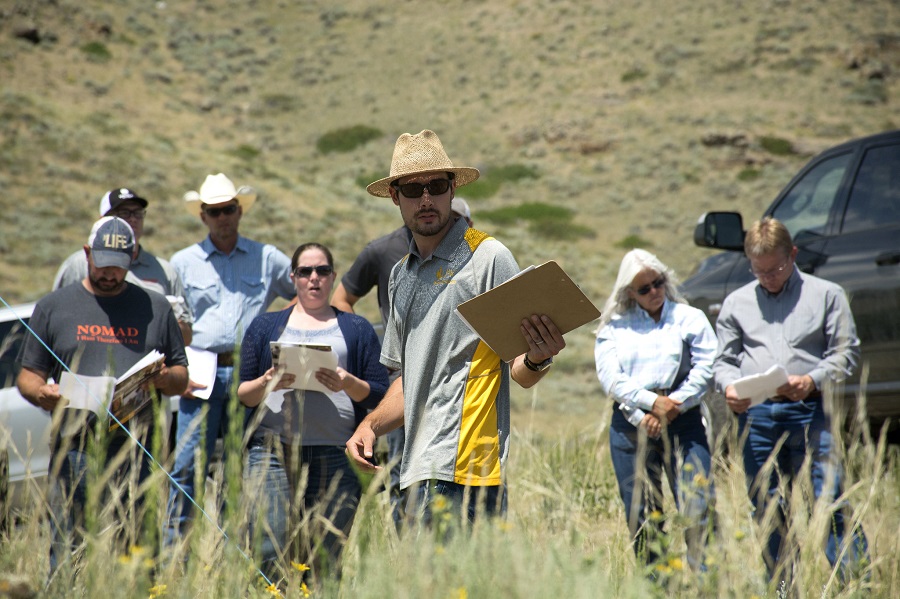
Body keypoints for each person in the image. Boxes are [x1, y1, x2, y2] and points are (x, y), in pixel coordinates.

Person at [345, 129, 564, 523]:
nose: (426, 199)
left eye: (436, 186)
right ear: (395, 197)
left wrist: (536, 359)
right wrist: (371, 426)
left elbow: (522, 372)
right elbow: (409, 381)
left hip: (469, 469)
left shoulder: (489, 256)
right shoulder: (399, 275)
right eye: (413, 189)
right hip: (415, 469)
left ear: (451, 189)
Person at [17, 216, 188, 575]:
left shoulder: (156, 307)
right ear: (86, 254)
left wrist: (160, 380)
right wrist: (43, 393)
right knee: (69, 549)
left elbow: (180, 375)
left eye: (120, 268)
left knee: (141, 552)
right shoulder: (53, 306)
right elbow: (28, 376)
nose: (110, 275)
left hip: (140, 450)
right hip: (74, 448)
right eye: (103, 266)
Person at [713, 217, 869, 583]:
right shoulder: (736, 303)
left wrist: (811, 379)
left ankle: (855, 584)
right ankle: (784, 587)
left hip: (811, 410)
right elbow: (723, 361)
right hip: (757, 416)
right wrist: (730, 388)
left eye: (775, 268)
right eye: (758, 270)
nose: (767, 277)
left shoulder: (826, 294)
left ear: (793, 254)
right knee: (768, 506)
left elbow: (846, 353)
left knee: (829, 497)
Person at [238, 242, 388, 579]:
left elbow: (379, 394)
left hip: (334, 453)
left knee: (324, 555)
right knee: (268, 546)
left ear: (333, 277)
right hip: (271, 452)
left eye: (322, 271)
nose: (314, 278)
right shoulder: (265, 327)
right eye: (305, 271)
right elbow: (243, 394)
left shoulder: (357, 329)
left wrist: (347, 382)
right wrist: (267, 381)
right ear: (293, 277)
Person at [165, 173, 296, 548]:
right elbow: (172, 322)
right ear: (203, 216)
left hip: (251, 370)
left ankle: (242, 549)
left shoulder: (267, 257)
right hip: (201, 371)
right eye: (215, 211)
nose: (223, 217)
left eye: (229, 209)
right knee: (188, 465)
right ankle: (176, 555)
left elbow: (303, 291)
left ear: (240, 211)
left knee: (249, 465)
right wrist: (180, 368)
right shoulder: (183, 262)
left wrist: (276, 322)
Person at [594, 249, 716, 571]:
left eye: (658, 283)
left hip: (684, 419)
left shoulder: (688, 317)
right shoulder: (613, 327)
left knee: (697, 505)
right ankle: (658, 584)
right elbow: (611, 379)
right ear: (630, 292)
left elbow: (707, 365)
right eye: (644, 288)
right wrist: (647, 408)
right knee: (642, 513)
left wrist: (675, 403)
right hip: (631, 425)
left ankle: (707, 583)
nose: (654, 292)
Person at [53, 188, 193, 344]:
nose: (132, 219)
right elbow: (57, 318)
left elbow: (186, 337)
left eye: (138, 213)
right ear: (102, 220)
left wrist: (165, 316)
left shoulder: (164, 270)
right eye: (124, 213)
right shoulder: (79, 264)